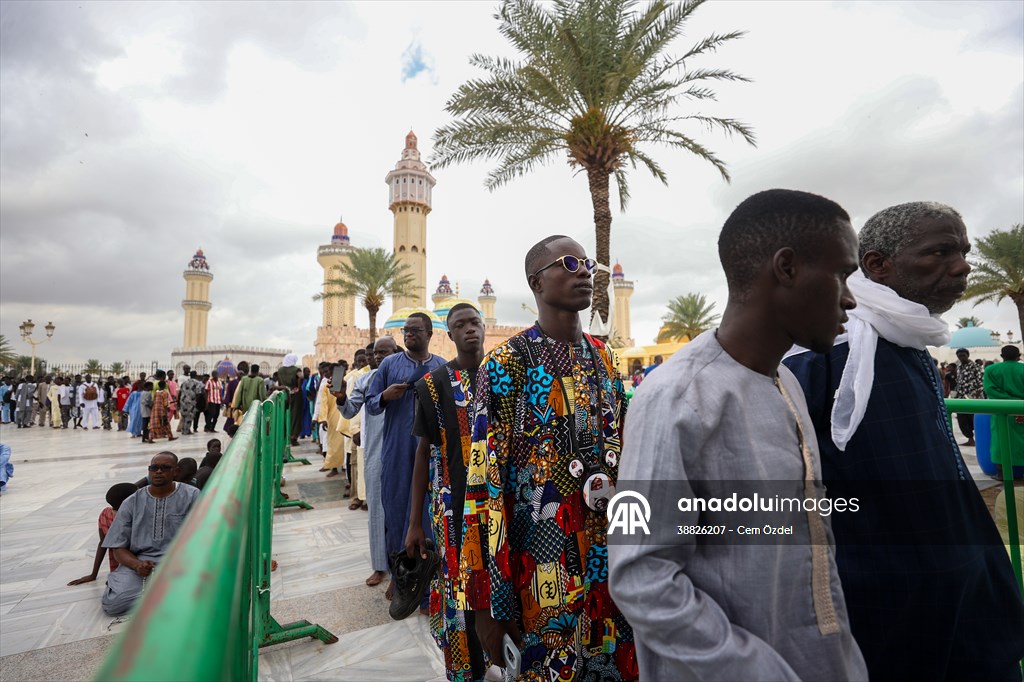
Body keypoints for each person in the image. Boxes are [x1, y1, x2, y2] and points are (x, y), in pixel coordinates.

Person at [610, 190, 866, 681]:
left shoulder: (784, 381)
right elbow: (641, 577)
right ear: (787, 268)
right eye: (841, 275)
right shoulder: (675, 398)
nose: (851, 298)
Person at [783, 201, 1024, 681]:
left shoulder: (906, 338)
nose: (962, 267)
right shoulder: (826, 350)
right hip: (887, 606)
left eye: (964, 251)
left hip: (965, 590)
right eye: (939, 252)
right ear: (877, 265)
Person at [461, 235, 636, 680]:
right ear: (537, 282)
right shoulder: (505, 366)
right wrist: (485, 603)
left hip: (613, 563)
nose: (585, 272)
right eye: (570, 262)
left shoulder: (607, 360)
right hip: (541, 571)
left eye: (589, 263)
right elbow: (483, 486)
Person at [405, 303, 488, 679]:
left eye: (475, 322)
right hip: (453, 510)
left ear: (484, 326)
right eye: (460, 325)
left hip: (503, 507)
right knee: (461, 592)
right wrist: (414, 523)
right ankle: (466, 669)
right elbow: (423, 454)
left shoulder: (504, 377)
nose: (469, 330)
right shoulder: (432, 385)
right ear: (449, 335)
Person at [366, 313, 446, 585]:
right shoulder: (389, 365)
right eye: (406, 331)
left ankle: (426, 587)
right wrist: (386, 396)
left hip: (431, 453)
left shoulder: (441, 366)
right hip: (397, 451)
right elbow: (371, 404)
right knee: (397, 509)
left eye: (415, 330)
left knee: (427, 514)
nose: (409, 335)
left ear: (429, 333)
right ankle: (399, 582)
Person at [100, 452, 200, 615]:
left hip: (179, 562)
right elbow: (118, 548)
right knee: (114, 604)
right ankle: (166, 595)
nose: (158, 471)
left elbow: (203, 537)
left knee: (204, 591)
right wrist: (136, 565)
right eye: (154, 468)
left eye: (165, 468)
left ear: (176, 471)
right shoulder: (132, 501)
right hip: (141, 564)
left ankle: (161, 594)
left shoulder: (192, 496)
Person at [342, 337, 398, 588]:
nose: (380, 357)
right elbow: (349, 411)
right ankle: (379, 566)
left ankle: (404, 569)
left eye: (385, 352)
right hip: (375, 454)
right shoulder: (365, 380)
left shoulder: (408, 376)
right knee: (377, 511)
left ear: (397, 352)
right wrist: (340, 398)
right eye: (376, 353)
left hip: (404, 454)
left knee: (405, 512)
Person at [68, 483, 139, 586]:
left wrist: (93, 574)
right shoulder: (134, 517)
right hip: (138, 565)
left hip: (118, 569)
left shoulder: (105, 514)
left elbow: (102, 543)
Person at [984, 344, 1024, 478]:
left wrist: (1009, 401)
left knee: (1000, 440)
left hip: (1001, 411)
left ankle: (1001, 473)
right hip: (1022, 409)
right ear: (1019, 356)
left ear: (1002, 356)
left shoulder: (991, 370)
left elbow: (990, 390)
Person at [313, 361, 346, 478]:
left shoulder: (346, 380)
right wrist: (322, 418)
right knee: (332, 444)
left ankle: (343, 467)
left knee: (344, 445)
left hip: (346, 415)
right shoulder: (329, 384)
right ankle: (333, 467)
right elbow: (323, 403)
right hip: (333, 417)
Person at [952, 347, 985, 446]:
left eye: (963, 355)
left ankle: (981, 441)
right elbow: (959, 382)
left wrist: (976, 394)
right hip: (961, 398)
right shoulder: (959, 367)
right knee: (962, 419)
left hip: (974, 398)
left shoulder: (976, 366)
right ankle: (970, 439)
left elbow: (981, 382)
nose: (961, 357)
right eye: (959, 356)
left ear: (968, 355)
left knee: (975, 419)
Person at [277, 354, 303, 447]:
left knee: (284, 414)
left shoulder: (280, 370)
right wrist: (298, 387)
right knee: (295, 415)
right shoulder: (296, 370)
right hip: (295, 395)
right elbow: (301, 377)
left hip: (284, 394)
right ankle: (293, 437)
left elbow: (279, 383)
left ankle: (284, 436)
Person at [177, 371, 203, 436]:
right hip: (191, 401)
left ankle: (183, 430)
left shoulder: (184, 382)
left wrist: (178, 401)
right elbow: (198, 393)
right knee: (190, 416)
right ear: (196, 375)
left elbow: (180, 392)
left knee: (183, 415)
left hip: (182, 400)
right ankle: (187, 430)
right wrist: (196, 401)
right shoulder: (198, 383)